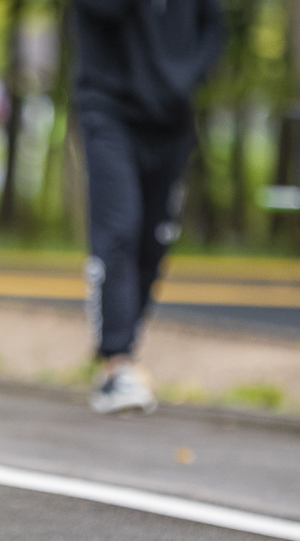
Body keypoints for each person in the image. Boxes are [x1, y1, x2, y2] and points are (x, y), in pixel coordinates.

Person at [73, 0, 224, 413]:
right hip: (108, 107)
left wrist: (188, 78)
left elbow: (214, 24)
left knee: (154, 241)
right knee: (118, 229)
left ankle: (127, 353)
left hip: (172, 116)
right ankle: (114, 363)